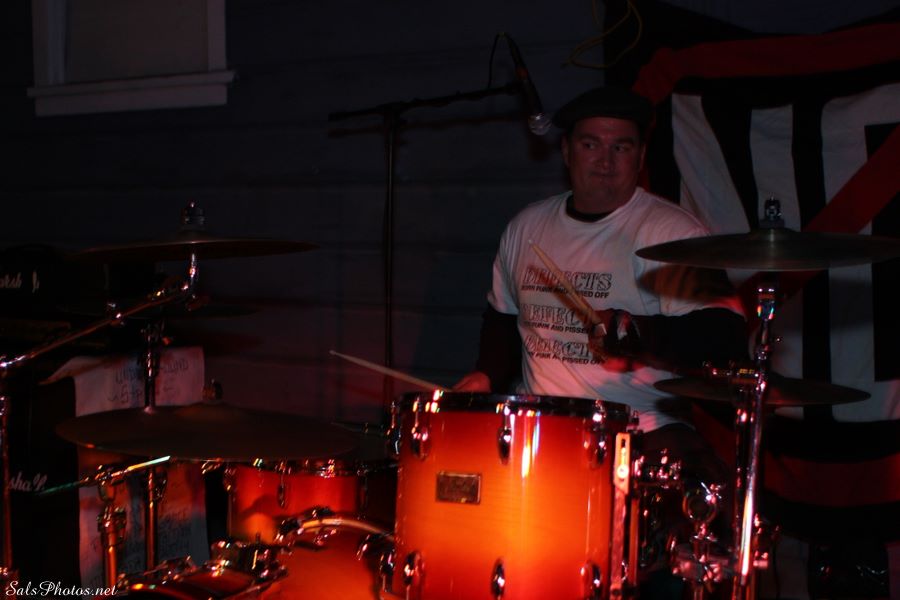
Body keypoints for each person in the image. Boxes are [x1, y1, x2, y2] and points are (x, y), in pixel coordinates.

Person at [455, 86, 747, 593]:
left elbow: (724, 334)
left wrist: (638, 330)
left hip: (643, 432)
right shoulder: (527, 228)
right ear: (567, 151)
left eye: (622, 147)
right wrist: (484, 373)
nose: (606, 162)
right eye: (591, 144)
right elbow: (501, 318)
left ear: (641, 156)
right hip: (541, 433)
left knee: (679, 554)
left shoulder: (670, 233)